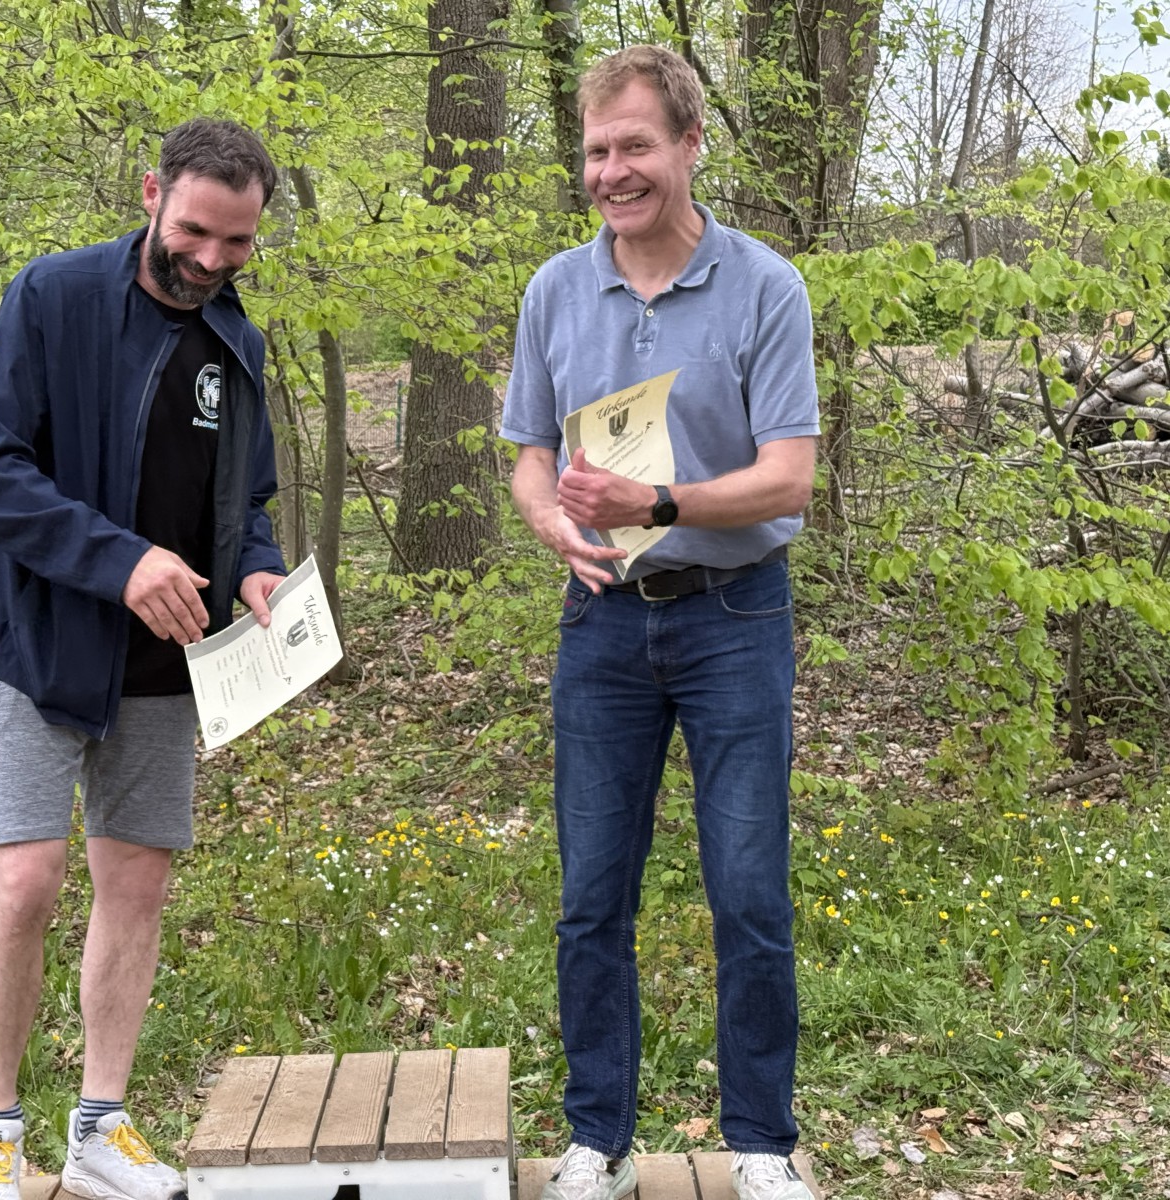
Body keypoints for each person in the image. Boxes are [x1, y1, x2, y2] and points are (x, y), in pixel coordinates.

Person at [499, 46, 821, 1200]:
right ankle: (597, 1140)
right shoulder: (553, 290)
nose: (611, 171)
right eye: (595, 151)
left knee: (748, 892)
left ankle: (762, 1146)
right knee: (592, 896)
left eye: (634, 145)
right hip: (600, 624)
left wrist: (659, 503)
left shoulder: (764, 287)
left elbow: (788, 478)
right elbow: (528, 453)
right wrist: (554, 524)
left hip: (735, 616)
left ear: (689, 144)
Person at [0, 118, 287, 1200]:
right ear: (151, 193)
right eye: (195, 232)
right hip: (32, 643)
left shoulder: (235, 342)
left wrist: (257, 573)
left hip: (165, 656)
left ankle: (100, 1128)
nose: (212, 260)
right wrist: (121, 560)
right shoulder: (52, 297)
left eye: (237, 243)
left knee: (135, 884)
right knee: (24, 879)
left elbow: (249, 502)